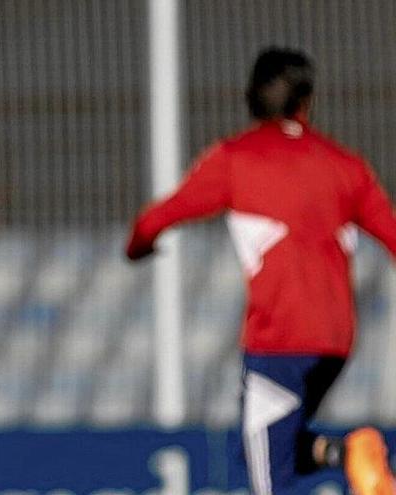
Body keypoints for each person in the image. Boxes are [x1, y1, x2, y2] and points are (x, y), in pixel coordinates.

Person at [125, 47, 395, 495]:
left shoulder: (235, 158)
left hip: (279, 338)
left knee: (269, 478)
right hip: (335, 339)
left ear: (250, 99)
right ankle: (347, 454)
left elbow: (156, 218)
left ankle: (349, 451)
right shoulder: (347, 166)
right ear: (306, 101)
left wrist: (139, 246)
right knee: (264, 446)